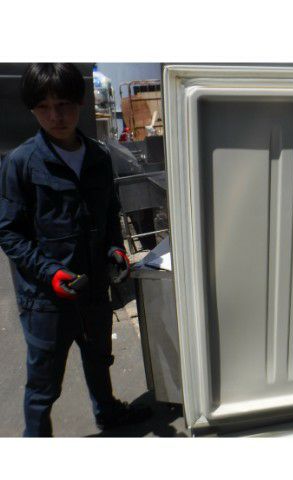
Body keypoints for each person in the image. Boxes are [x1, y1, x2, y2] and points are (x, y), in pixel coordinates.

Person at [0, 63, 152, 437]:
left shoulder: (98, 157)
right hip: (46, 299)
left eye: (64, 104)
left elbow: (110, 212)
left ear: (80, 103)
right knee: (43, 384)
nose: (56, 116)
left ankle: (108, 412)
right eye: (44, 107)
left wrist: (116, 250)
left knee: (99, 359)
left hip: (94, 289)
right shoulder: (21, 163)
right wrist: (49, 272)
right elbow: (9, 232)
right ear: (32, 110)